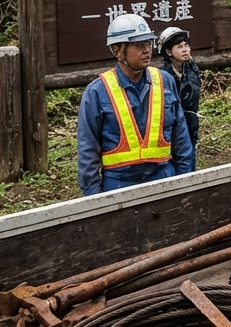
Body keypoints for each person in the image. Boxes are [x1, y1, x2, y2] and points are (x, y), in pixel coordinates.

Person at [77, 14, 193, 195]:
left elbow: (182, 140)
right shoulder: (97, 92)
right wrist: (96, 204)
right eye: (139, 46)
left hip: (164, 178)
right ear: (118, 51)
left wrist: (185, 183)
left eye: (148, 44)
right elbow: (87, 153)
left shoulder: (165, 81)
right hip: (119, 185)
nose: (147, 50)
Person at [158, 26, 201, 171]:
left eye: (186, 45)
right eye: (179, 47)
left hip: (191, 122)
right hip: (172, 126)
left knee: (190, 159)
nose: (185, 49)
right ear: (169, 52)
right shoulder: (164, 76)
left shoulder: (191, 69)